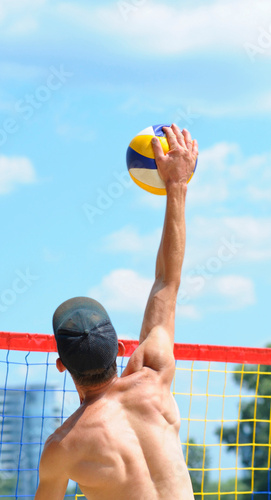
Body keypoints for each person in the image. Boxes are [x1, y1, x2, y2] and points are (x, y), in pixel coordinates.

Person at [35, 124, 199, 500]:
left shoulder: (63, 448)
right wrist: (177, 185)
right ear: (121, 349)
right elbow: (166, 281)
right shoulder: (154, 377)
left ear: (62, 364)